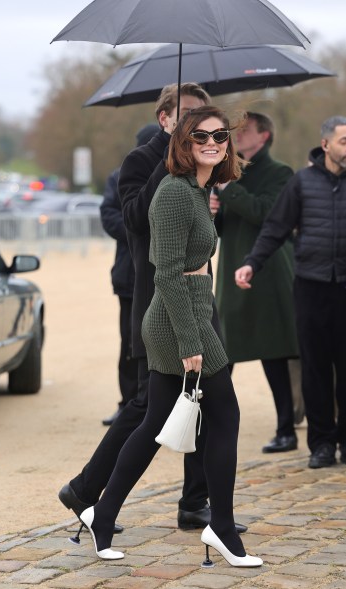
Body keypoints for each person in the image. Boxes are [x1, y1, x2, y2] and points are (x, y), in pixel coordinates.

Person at [78, 105, 263, 568]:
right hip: (179, 317)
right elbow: (167, 275)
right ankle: (220, 527)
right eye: (199, 135)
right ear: (182, 142)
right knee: (225, 416)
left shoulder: (199, 192)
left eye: (220, 136)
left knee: (154, 424)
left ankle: (100, 514)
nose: (212, 143)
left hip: (193, 309)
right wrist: (190, 345)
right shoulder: (176, 194)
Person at [235, 115, 346, 469]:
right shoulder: (302, 182)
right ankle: (322, 443)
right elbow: (275, 227)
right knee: (314, 369)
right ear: (325, 144)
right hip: (311, 288)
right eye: (344, 141)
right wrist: (253, 262)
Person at [211, 111, 299, 454]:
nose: (237, 136)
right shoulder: (232, 172)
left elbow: (267, 213)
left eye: (245, 131)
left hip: (267, 273)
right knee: (222, 351)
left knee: (273, 353)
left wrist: (230, 190)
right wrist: (215, 210)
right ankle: (206, 423)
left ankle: (286, 429)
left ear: (264, 136)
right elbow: (224, 228)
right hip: (232, 269)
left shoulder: (280, 173)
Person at [100, 124, 159, 426]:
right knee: (130, 343)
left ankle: (161, 405)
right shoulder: (120, 175)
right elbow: (110, 216)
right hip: (129, 274)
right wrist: (139, 231)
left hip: (160, 271)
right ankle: (128, 403)